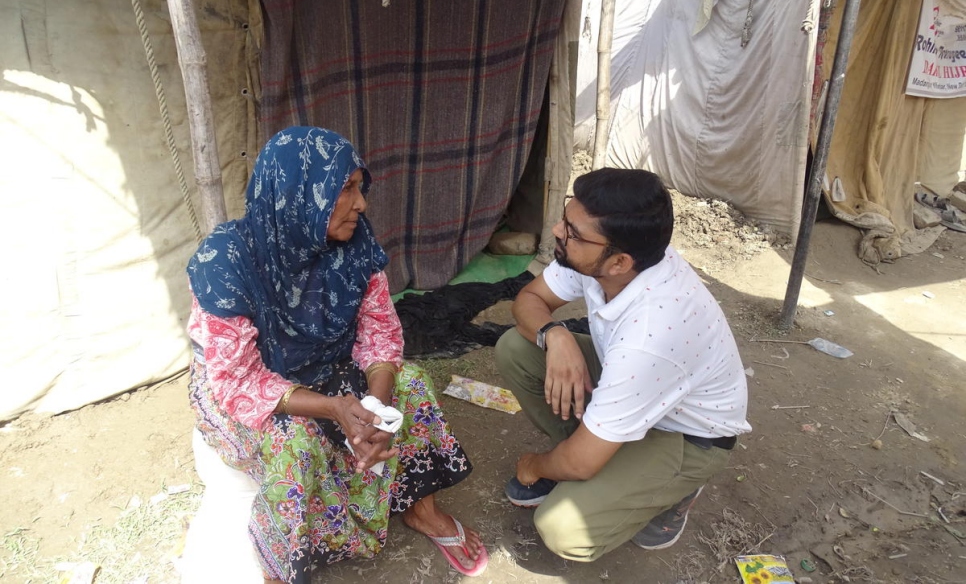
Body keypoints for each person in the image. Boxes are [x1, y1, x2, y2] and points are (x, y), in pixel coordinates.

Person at [186, 126, 488, 583]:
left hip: (326, 366)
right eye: (344, 189)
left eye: (358, 188)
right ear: (297, 193)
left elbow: (380, 331)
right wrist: (333, 408)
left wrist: (375, 406)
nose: (361, 204)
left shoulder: (354, 243)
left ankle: (421, 509)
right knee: (293, 441)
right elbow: (238, 381)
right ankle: (279, 565)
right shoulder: (226, 261)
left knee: (412, 388)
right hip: (250, 389)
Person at [495, 168, 751, 561]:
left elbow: (580, 465)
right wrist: (556, 335)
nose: (558, 230)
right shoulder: (598, 255)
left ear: (619, 263)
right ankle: (599, 447)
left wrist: (536, 465)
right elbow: (529, 301)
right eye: (567, 216)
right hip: (638, 385)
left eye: (573, 232)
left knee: (563, 528)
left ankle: (674, 490)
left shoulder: (651, 334)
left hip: (688, 434)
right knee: (518, 347)